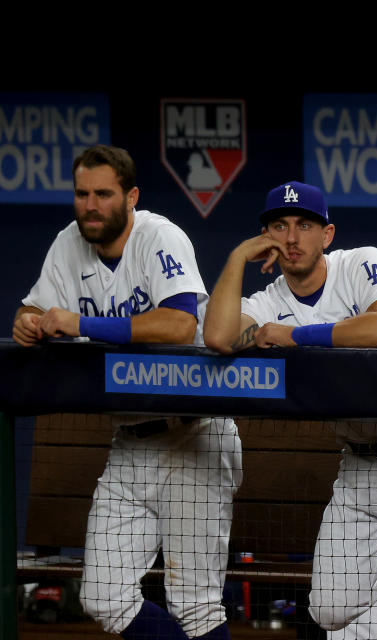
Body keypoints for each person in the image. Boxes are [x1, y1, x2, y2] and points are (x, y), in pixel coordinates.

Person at [13, 145, 240, 640]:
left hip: (192, 437)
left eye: (103, 194)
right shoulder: (68, 243)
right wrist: (29, 323)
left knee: (196, 606)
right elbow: (30, 309)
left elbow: (180, 324)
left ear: (130, 196)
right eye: (81, 194)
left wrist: (81, 322)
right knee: (103, 595)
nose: (90, 205)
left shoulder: (159, 236)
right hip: (130, 442)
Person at [202, 181, 377, 638]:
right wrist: (236, 258)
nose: (292, 238)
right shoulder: (269, 301)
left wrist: (296, 336)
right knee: (330, 611)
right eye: (279, 226)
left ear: (326, 234)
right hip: (356, 465)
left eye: (305, 225)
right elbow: (217, 338)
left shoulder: (361, 263)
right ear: (265, 237)